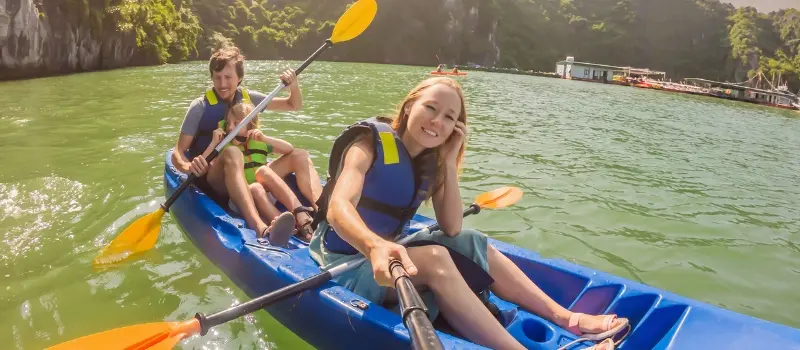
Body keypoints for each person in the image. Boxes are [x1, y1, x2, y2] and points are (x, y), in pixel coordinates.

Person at [308, 77, 629, 350]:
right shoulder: (369, 144)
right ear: (409, 107)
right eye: (431, 108)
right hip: (345, 261)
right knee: (435, 258)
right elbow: (339, 208)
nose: (438, 121)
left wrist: (448, 159)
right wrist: (374, 246)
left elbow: (452, 226)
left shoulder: (429, 164)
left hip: (391, 256)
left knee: (469, 239)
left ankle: (566, 318)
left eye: (449, 117)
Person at [172, 46, 322, 242]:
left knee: (299, 155)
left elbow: (293, 105)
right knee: (233, 152)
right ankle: (259, 227)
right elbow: (178, 152)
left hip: (251, 174)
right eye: (217, 77)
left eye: (228, 77)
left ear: (239, 78)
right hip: (215, 177)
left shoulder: (249, 99)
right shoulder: (200, 107)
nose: (222, 84)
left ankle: (323, 211)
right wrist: (188, 166)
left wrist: (293, 86)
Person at [200, 101, 300, 246]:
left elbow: (289, 148)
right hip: (240, 199)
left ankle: (285, 227)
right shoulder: (223, 147)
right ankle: (263, 227)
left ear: (250, 126)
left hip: (261, 192)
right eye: (228, 123)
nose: (230, 127)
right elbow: (204, 165)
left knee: (259, 185)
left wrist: (264, 138)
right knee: (255, 188)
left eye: (236, 123)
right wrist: (214, 143)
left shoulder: (258, 141)